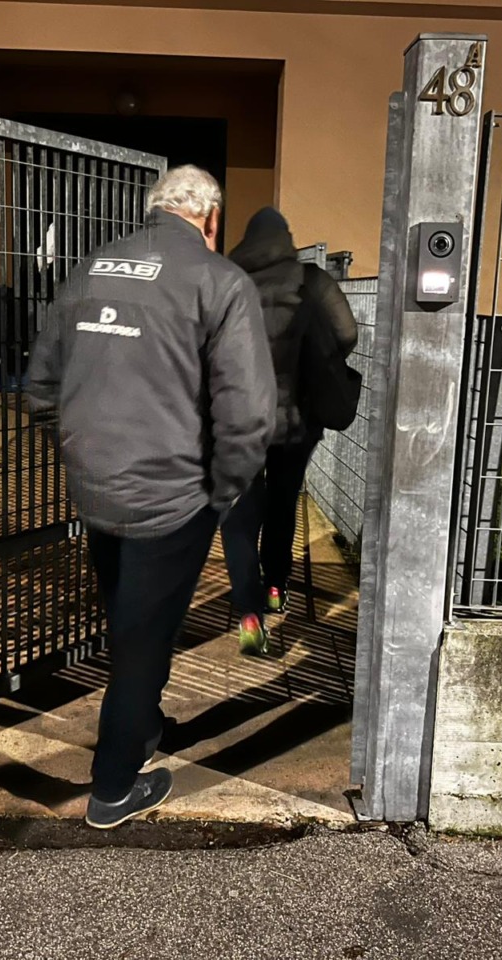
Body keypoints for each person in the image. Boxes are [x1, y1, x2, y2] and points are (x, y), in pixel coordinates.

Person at [27, 166, 275, 830]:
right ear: (212, 218)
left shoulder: (93, 267)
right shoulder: (221, 282)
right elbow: (248, 416)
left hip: (95, 483)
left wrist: (80, 446)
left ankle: (142, 722)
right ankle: (113, 786)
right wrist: (222, 493)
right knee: (145, 637)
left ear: (155, 210)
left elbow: (41, 385)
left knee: (128, 611)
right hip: (171, 497)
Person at [220, 207, 358, 654]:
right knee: (282, 504)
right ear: (285, 238)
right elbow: (347, 333)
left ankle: (247, 611)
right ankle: (276, 586)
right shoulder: (312, 281)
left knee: (239, 514)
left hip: (239, 421)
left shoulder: (226, 279)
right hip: (297, 420)